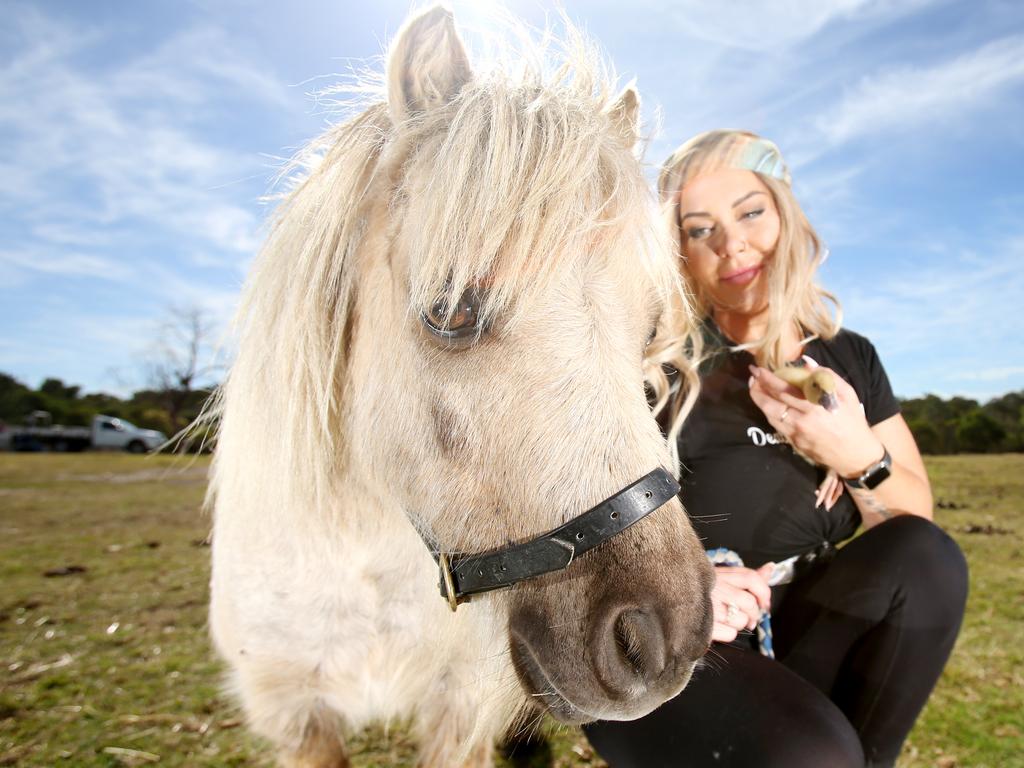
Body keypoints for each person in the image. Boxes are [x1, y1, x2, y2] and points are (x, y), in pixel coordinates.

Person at [583, 130, 968, 768]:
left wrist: (854, 456)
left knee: (927, 557)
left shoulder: (849, 356)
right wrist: (693, 586)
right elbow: (583, 519)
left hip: (806, 609)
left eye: (750, 212)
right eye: (698, 229)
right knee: (812, 754)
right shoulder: (654, 364)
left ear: (784, 214)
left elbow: (912, 515)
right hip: (682, 630)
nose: (732, 243)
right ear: (677, 253)